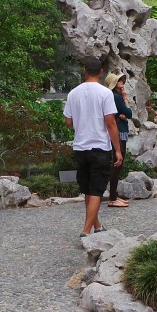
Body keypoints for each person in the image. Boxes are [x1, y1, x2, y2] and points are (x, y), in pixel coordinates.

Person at [64, 57, 123, 237]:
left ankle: (96, 225)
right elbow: (111, 123)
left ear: (84, 71)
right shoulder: (105, 93)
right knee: (97, 189)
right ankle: (85, 230)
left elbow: (68, 121)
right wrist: (118, 150)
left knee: (88, 188)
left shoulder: (73, 93)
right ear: (102, 71)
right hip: (99, 146)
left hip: (80, 147)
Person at [104, 72, 132, 208]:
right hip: (119, 133)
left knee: (116, 164)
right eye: (119, 80)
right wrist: (125, 99)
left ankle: (113, 195)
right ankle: (113, 197)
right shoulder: (117, 97)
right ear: (115, 84)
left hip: (117, 132)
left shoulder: (112, 96)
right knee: (117, 163)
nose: (122, 82)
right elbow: (129, 113)